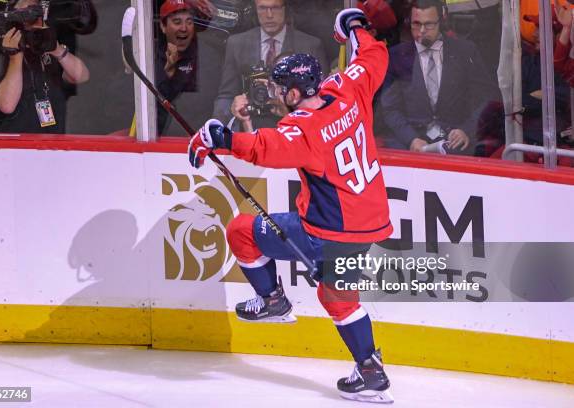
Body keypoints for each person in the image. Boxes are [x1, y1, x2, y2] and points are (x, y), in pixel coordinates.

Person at [188, 8, 394, 403]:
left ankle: (273, 300)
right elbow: (372, 58)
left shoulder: (301, 128)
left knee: (241, 231)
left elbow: (265, 147)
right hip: (370, 224)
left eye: (281, 88)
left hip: (328, 230)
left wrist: (222, 139)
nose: (278, 95)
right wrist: (354, 27)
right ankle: (370, 370)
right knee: (337, 298)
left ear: (296, 93)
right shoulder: (346, 88)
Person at [380, 0, 495, 154]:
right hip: (411, 144)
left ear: (442, 20)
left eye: (428, 25)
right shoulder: (396, 56)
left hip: (456, 143)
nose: (421, 31)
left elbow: (486, 98)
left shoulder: (465, 51)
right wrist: (411, 138)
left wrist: (466, 130)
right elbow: (390, 108)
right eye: (416, 24)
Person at [0, 0, 89, 134]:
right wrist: (15, 56)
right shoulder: (6, 42)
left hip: (50, 138)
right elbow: (7, 105)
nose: (31, 26)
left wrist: (55, 48)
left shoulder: (56, 32)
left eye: (35, 14)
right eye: (24, 16)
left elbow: (81, 76)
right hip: (12, 136)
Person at [212, 0, 328, 127]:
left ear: (285, 9)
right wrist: (222, 121)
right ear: (255, 10)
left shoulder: (310, 46)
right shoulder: (237, 44)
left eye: (275, 8)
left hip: (295, 130)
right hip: (251, 128)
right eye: (262, 8)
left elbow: (321, 99)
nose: (269, 15)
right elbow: (226, 96)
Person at [155, 0, 224, 135]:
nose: (184, 28)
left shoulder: (209, 56)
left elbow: (210, 101)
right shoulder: (149, 56)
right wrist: (168, 74)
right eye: (177, 22)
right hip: (161, 137)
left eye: (189, 22)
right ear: (163, 27)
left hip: (200, 136)